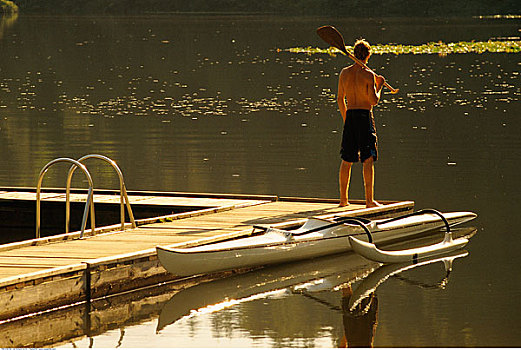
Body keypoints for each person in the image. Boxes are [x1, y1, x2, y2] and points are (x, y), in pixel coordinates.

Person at [337, 39, 385, 208]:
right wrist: (379, 86)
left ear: (354, 54)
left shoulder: (344, 73)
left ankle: (343, 200)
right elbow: (373, 101)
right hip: (364, 116)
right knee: (368, 158)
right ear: (368, 55)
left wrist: (346, 119)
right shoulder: (368, 75)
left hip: (350, 116)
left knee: (347, 159)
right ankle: (369, 201)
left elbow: (340, 100)